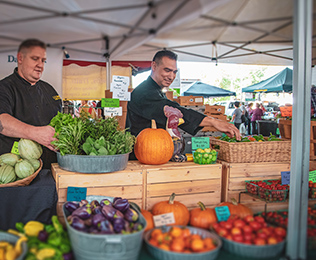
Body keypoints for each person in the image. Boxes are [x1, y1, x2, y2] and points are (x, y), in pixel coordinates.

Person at [126, 50, 240, 147]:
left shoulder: (156, 90)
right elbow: (173, 111)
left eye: (174, 72)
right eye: (167, 70)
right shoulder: (144, 92)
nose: (171, 76)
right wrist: (213, 121)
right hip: (142, 156)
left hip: (154, 151)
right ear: (154, 66)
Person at [0, 39, 62, 169]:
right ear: (20, 58)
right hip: (20, 170)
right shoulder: (5, 88)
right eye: (35, 59)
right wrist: (35, 133)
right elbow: (1, 121)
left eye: (43, 60)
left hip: (53, 168)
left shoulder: (49, 90)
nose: (40, 65)